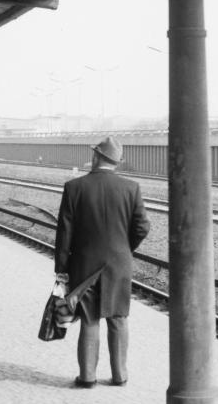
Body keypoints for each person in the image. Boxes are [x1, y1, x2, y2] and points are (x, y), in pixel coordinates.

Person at [54, 135, 150, 388]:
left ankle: (87, 377)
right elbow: (142, 227)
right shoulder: (131, 188)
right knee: (118, 318)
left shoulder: (74, 188)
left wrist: (62, 269)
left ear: (96, 157)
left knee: (89, 319)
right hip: (119, 265)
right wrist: (124, 249)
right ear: (117, 162)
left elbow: (65, 233)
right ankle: (120, 375)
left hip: (84, 265)